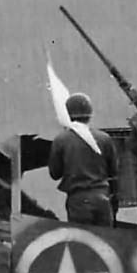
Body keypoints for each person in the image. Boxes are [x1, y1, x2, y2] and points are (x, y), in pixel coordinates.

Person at [48, 92, 119, 227]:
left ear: (68, 114)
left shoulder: (61, 140)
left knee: (82, 239)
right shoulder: (104, 138)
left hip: (78, 201)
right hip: (102, 199)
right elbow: (114, 171)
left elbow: (55, 174)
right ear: (90, 114)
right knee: (104, 239)